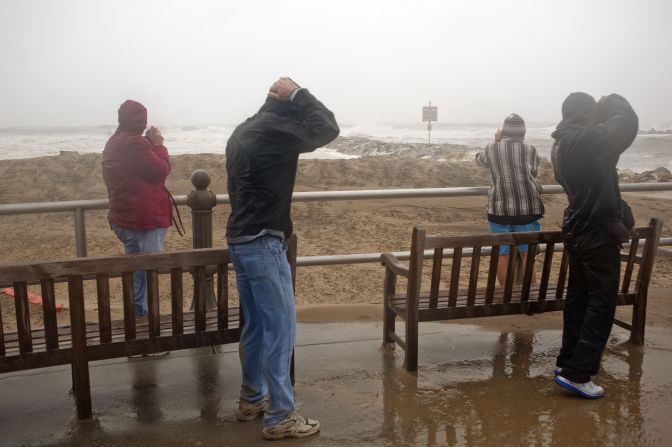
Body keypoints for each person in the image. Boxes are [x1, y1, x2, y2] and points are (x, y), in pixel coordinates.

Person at [225, 77, 339, 440]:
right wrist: (299, 94)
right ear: (288, 111)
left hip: (240, 239)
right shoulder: (278, 129)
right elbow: (326, 128)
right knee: (281, 330)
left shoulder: (244, 130)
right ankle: (280, 416)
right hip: (263, 241)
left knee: (256, 325)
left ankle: (252, 399)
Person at [551, 92, 638, 399]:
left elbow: (594, 182)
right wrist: (612, 101)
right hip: (596, 232)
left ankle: (567, 362)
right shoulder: (585, 140)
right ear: (587, 114)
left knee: (579, 299)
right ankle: (579, 373)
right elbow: (627, 124)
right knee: (601, 303)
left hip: (577, 229)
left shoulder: (562, 142)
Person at [102, 99, 172, 320]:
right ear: (143, 122)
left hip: (125, 218)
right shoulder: (134, 144)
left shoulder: (115, 141)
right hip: (144, 220)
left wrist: (148, 143)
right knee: (146, 275)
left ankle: (136, 327)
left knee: (137, 275)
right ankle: (145, 333)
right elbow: (160, 170)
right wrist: (159, 144)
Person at [475, 113, 544, 286]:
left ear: (503, 131)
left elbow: (479, 160)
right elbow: (534, 171)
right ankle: (530, 294)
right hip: (526, 208)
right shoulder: (531, 149)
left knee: (502, 253)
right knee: (527, 254)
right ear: (523, 132)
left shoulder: (492, 148)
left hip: (499, 208)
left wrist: (497, 141)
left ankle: (506, 295)